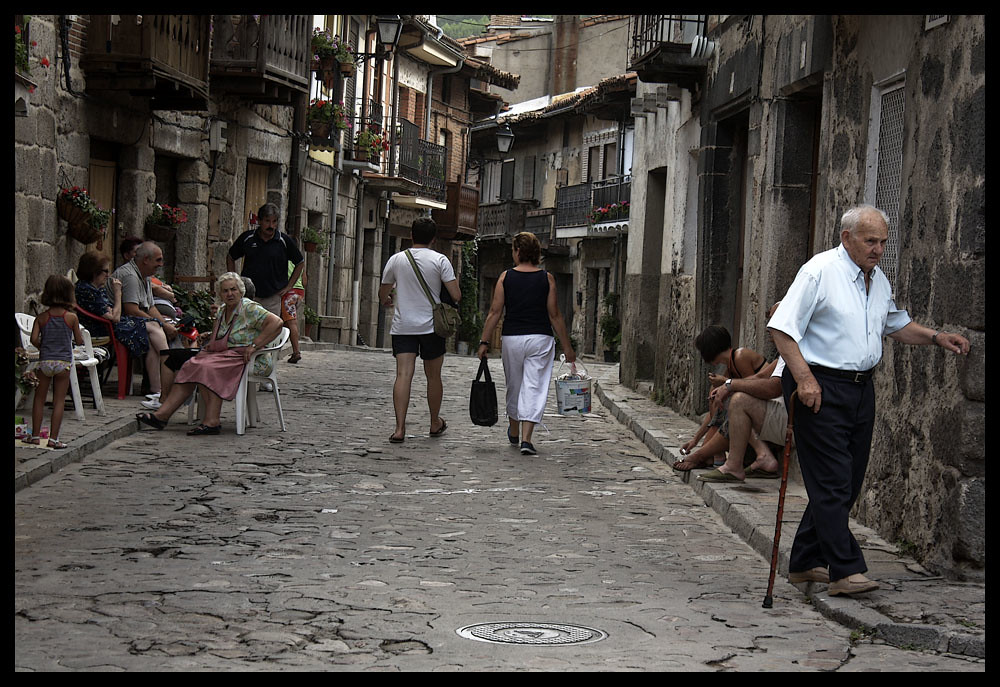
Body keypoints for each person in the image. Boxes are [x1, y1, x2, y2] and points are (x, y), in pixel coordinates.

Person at [768, 204, 970, 597]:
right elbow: (781, 328)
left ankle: (807, 561)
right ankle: (845, 570)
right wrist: (805, 379)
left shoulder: (877, 281)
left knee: (848, 479)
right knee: (832, 480)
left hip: (860, 388)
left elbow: (894, 323)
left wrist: (935, 337)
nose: (878, 249)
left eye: (882, 242)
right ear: (847, 238)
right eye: (870, 241)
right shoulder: (819, 272)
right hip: (818, 384)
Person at [135, 272, 283, 436]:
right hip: (227, 355)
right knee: (192, 364)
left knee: (206, 366)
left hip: (250, 359)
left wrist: (255, 346)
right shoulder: (222, 310)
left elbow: (277, 322)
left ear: (241, 291)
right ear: (221, 294)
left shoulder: (249, 307)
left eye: (233, 289)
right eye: (225, 291)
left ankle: (211, 421)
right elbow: (217, 339)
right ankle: (162, 415)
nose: (230, 294)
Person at [476, 231, 576, 456]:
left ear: (518, 251)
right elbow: (555, 315)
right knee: (534, 386)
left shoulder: (505, 277)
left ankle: (513, 429)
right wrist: (567, 347)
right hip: (540, 339)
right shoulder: (546, 278)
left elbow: (494, 312)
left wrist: (484, 341)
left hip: (512, 338)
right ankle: (526, 439)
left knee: (515, 384)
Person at [378, 217, 461, 444]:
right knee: (433, 376)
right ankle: (434, 422)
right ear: (433, 239)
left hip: (403, 326)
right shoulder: (440, 260)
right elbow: (456, 295)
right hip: (432, 327)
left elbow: (382, 295)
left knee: (403, 375)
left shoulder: (396, 260)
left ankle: (399, 428)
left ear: (411, 235)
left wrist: (390, 299)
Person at [76, 248, 169, 406]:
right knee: (154, 327)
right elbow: (116, 316)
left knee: (152, 336)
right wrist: (118, 294)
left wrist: (114, 310)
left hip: (111, 324)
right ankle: (170, 366)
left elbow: (114, 313)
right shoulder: (89, 290)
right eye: (105, 271)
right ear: (94, 271)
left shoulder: (96, 288)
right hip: (104, 329)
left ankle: (158, 391)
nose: (108, 275)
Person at [672, 324, 771, 471]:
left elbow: (752, 387)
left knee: (724, 395)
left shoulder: (740, 356)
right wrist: (695, 439)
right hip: (753, 405)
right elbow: (714, 414)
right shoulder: (731, 365)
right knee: (715, 393)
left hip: (765, 404)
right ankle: (710, 454)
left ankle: (711, 455)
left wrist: (725, 383)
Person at [24, 275, 84, 449]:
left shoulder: (42, 318)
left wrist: (43, 345)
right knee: (59, 401)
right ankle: (54, 439)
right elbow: (79, 340)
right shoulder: (71, 318)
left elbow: (34, 339)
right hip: (63, 363)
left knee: (39, 399)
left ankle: (35, 436)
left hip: (45, 363)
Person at [227, 203, 305, 318]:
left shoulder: (283, 241)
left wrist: (289, 286)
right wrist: (234, 280)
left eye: (274, 222)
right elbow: (230, 257)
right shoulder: (248, 238)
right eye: (267, 221)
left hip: (272, 297)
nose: (271, 226)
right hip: (248, 296)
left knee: (271, 330)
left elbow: (300, 262)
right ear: (259, 221)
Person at [282, 260, 304, 364]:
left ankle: (296, 351)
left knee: (291, 321)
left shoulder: (282, 257)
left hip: (288, 291)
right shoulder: (297, 260)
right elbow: (304, 279)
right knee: (287, 320)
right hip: (299, 291)